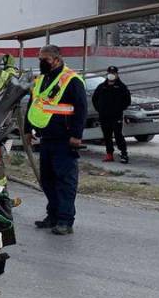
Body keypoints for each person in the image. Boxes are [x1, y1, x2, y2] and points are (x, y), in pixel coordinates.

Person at [23, 44, 88, 236]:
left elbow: (81, 109)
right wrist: (27, 129)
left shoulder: (72, 80)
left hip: (64, 139)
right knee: (47, 180)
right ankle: (52, 215)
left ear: (57, 60)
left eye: (45, 59)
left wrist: (76, 135)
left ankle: (65, 221)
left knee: (65, 181)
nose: (41, 62)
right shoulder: (41, 79)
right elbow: (33, 105)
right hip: (46, 137)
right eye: (40, 59)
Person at [91, 65, 131, 164]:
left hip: (116, 116)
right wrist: (99, 109)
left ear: (117, 74)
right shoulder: (102, 86)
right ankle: (109, 154)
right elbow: (94, 98)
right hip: (104, 116)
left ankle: (124, 154)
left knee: (118, 135)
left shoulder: (121, 87)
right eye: (110, 73)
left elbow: (127, 100)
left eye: (113, 73)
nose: (111, 75)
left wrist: (119, 109)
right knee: (107, 136)